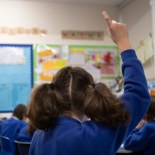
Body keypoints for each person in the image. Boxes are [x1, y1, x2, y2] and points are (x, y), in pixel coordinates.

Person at [27, 12, 151, 155]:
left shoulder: (39, 136)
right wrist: (123, 41)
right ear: (88, 96)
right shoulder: (94, 136)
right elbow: (137, 94)